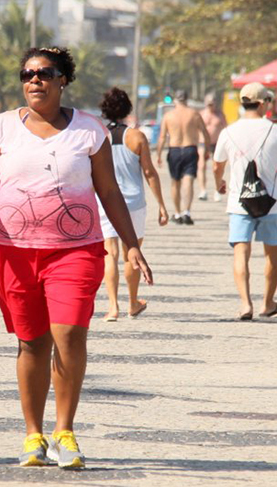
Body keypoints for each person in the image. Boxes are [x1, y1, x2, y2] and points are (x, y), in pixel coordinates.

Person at [0, 47, 152, 469]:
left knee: (70, 334)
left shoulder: (89, 131)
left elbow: (108, 192)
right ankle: (33, 434)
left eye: (44, 73)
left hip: (75, 250)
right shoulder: (0, 128)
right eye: (27, 74)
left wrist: (131, 243)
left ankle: (65, 432)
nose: (34, 80)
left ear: (63, 80)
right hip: (14, 252)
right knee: (32, 342)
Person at [213, 82, 277, 321]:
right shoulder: (276, 131)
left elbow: (217, 165)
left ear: (243, 103)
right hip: (271, 203)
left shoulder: (228, 131)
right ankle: (267, 303)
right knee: (272, 255)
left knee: (240, 253)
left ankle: (245, 304)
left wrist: (219, 184)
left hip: (239, 202)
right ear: (264, 103)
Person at [98, 87, 168, 322]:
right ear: (127, 109)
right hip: (134, 203)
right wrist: (161, 205)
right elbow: (149, 172)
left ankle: (113, 307)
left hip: (105, 201)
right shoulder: (136, 137)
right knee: (132, 253)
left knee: (110, 253)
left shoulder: (98, 136)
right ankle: (132, 302)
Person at [156, 89, 211, 224]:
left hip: (174, 150)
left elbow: (162, 137)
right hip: (190, 149)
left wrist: (158, 154)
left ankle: (177, 213)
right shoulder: (194, 114)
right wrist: (207, 150)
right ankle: (187, 211)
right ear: (186, 99)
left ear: (175, 100)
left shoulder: (168, 116)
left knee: (175, 182)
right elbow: (205, 134)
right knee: (189, 181)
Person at [198, 93, 227, 202]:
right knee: (201, 166)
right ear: (205, 103)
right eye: (209, 104)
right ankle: (203, 190)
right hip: (203, 143)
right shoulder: (201, 114)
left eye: (212, 104)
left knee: (217, 168)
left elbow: (225, 128)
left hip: (217, 143)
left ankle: (217, 190)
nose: (211, 106)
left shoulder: (220, 115)